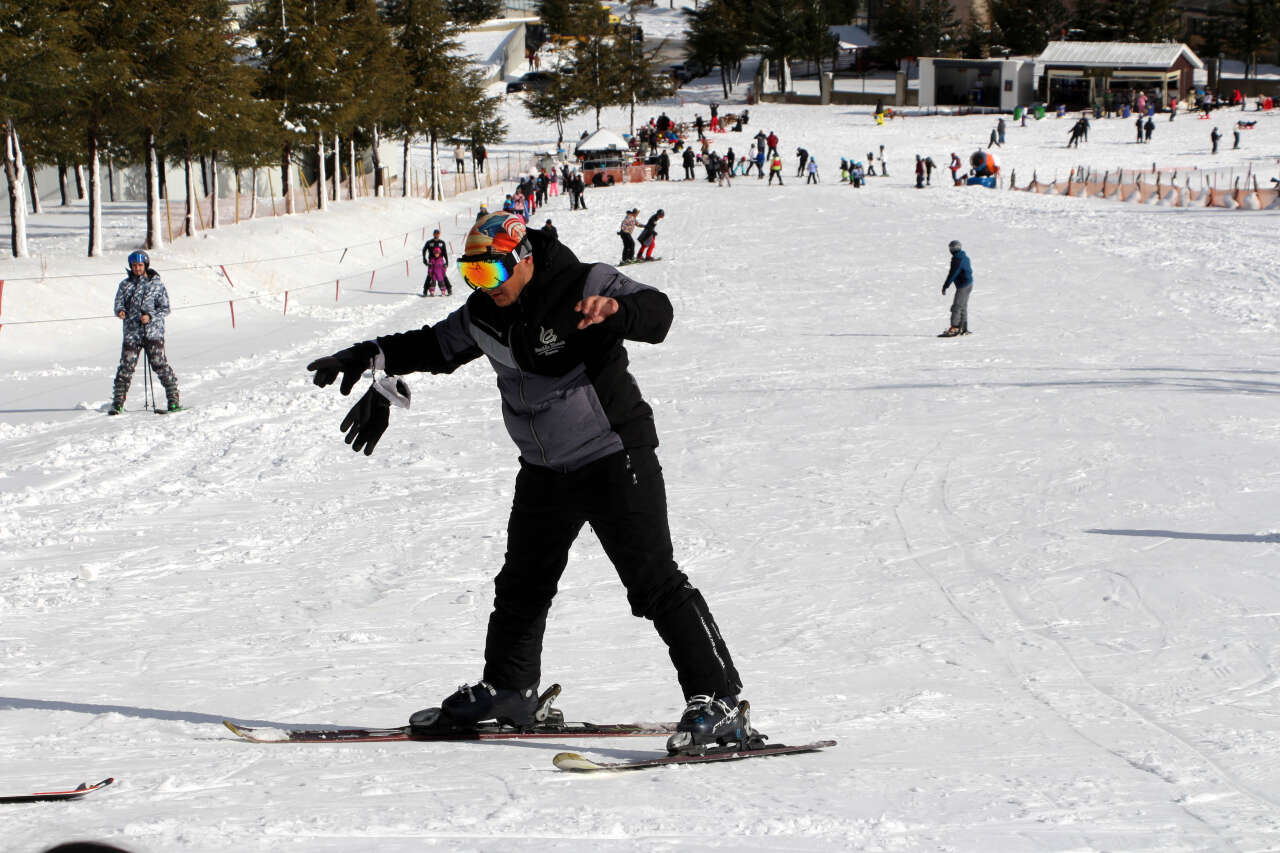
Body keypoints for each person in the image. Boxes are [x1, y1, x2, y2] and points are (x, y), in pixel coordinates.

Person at [305, 213, 747, 754]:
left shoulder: (585, 283)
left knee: (653, 582)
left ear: (524, 259)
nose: (481, 287)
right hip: (545, 469)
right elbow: (430, 346)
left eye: (490, 273)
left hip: (613, 453)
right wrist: (367, 355)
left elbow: (659, 314)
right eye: (471, 274)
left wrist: (618, 310)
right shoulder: (483, 316)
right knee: (521, 586)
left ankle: (718, 699)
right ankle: (510, 690)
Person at [109, 251, 180, 415]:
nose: (137, 268)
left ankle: (173, 399)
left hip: (153, 333)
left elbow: (165, 308)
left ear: (146, 265)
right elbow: (118, 304)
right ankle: (117, 403)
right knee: (126, 367)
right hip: (132, 333)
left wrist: (150, 316)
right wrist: (120, 311)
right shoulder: (125, 285)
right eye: (134, 266)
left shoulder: (157, 285)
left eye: (140, 265)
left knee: (159, 365)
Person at [939, 239, 973, 337]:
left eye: (950, 248)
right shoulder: (964, 256)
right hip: (968, 284)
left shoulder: (958, 259)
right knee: (963, 306)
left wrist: (946, 285)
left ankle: (955, 327)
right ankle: (963, 328)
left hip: (963, 285)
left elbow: (953, 273)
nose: (950, 250)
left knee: (957, 306)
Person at [422, 229, 451, 297]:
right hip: (431, 262)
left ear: (439, 234)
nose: (436, 235)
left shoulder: (442, 243)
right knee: (430, 275)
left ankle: (449, 289)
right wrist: (424, 259)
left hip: (440, 262)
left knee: (443, 275)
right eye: (435, 233)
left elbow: (445, 253)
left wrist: (447, 262)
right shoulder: (429, 242)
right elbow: (424, 250)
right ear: (433, 234)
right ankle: (425, 290)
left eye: (438, 233)